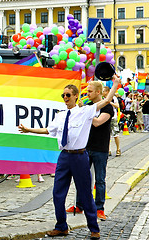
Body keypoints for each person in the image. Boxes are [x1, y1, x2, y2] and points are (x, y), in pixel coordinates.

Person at [18, 75, 120, 239]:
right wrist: (28, 129)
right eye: (63, 95)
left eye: (68, 95)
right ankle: (61, 226)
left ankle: (94, 228)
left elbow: (107, 100)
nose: (65, 98)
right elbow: (47, 130)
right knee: (58, 192)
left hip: (79, 157)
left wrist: (115, 84)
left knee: (85, 194)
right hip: (64, 157)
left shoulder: (85, 111)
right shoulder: (60, 115)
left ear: (75, 96)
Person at [66, 81, 113, 221]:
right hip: (86, 147)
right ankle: (79, 205)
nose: (87, 94)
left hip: (100, 149)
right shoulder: (87, 106)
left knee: (99, 180)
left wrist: (86, 112)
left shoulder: (107, 108)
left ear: (98, 92)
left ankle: (99, 208)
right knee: (82, 177)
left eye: (90, 91)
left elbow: (97, 122)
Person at [103, 87, 121, 156]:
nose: (102, 92)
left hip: (113, 118)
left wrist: (109, 102)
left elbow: (117, 106)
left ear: (107, 91)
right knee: (107, 134)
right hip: (105, 118)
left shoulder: (113, 98)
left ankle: (118, 149)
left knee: (115, 134)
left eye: (104, 91)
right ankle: (108, 150)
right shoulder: (102, 99)